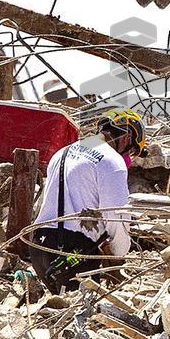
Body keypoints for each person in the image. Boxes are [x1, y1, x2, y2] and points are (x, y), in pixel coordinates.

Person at [29, 108, 147, 292]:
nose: (128, 157)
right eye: (131, 151)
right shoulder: (112, 162)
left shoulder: (63, 152)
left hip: (39, 246)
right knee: (84, 316)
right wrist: (119, 252)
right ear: (126, 138)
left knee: (57, 313)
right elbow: (117, 216)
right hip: (72, 252)